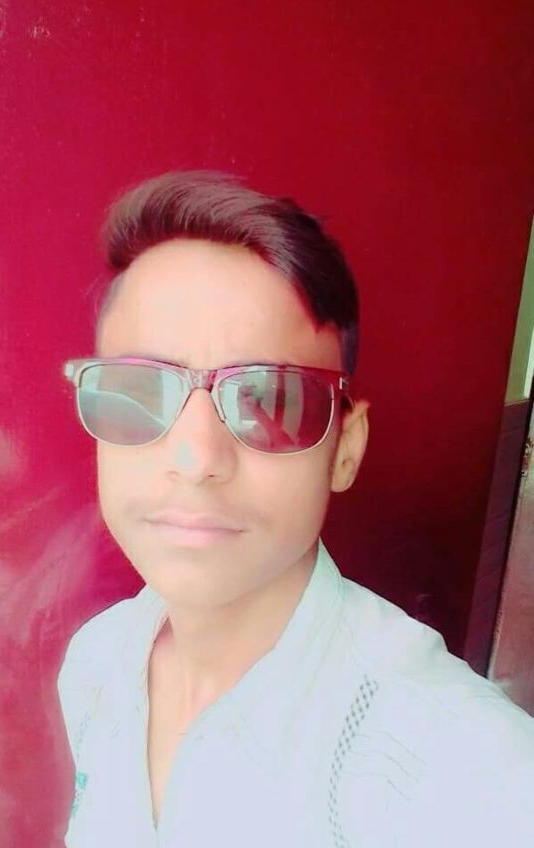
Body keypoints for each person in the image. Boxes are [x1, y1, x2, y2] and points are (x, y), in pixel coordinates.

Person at [57, 171, 534, 847]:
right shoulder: (96, 665)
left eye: (270, 399)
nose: (196, 457)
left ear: (345, 450)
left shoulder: (459, 776)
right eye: (138, 390)